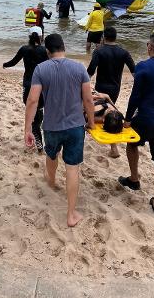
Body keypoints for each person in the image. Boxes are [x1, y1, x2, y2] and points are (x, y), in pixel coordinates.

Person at [24, 33, 95, 228]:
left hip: (51, 126)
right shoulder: (79, 67)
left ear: (47, 51)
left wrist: (28, 128)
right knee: (72, 168)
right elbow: (88, 99)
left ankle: (52, 181)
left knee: (52, 154)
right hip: (75, 126)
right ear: (64, 47)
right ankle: (71, 214)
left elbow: (32, 100)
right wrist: (91, 122)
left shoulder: (41, 69)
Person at [118, 32, 154, 217]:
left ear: (149, 47)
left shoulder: (143, 67)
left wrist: (127, 119)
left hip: (145, 119)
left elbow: (135, 96)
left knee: (132, 143)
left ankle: (134, 179)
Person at [87, 26, 135, 157]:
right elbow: (134, 71)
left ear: (103, 37)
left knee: (102, 112)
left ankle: (114, 148)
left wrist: (85, 86)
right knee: (110, 112)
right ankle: (113, 148)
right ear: (116, 37)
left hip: (101, 87)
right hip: (115, 88)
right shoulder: (123, 52)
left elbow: (90, 70)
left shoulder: (99, 51)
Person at [3, 26, 47, 152]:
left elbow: (13, 62)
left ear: (29, 37)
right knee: (38, 112)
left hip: (28, 86)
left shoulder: (24, 49)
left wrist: (4, 65)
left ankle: (36, 137)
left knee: (31, 112)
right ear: (41, 37)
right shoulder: (45, 50)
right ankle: (38, 139)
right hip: (41, 87)